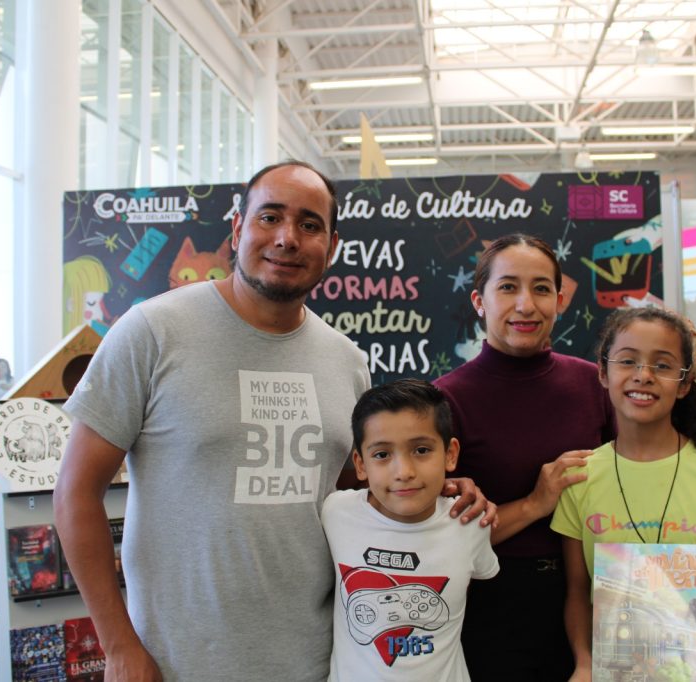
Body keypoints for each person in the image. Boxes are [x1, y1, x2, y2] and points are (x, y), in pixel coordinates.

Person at [53, 160, 494, 681]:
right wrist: (119, 645)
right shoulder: (152, 332)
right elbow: (75, 493)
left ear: (331, 247)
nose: (287, 238)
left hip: (314, 661)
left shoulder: (346, 360)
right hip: (176, 660)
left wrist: (439, 490)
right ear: (238, 228)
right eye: (270, 218)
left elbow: (359, 492)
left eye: (309, 225)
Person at [552, 307, 696, 681]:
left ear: (684, 383)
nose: (643, 376)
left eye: (663, 365)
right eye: (628, 361)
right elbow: (578, 591)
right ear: (603, 373)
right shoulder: (581, 477)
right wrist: (584, 661)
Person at [434, 233, 616, 680]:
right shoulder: (444, 400)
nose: (525, 305)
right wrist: (536, 503)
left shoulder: (596, 384)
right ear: (480, 300)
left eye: (540, 289)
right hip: (495, 606)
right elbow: (436, 539)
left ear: (559, 299)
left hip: (600, 591)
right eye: (508, 287)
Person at [323, 379, 499, 681]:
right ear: (360, 464)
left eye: (421, 450)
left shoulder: (469, 522)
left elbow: (472, 578)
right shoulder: (335, 512)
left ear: (450, 454)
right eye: (381, 455)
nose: (403, 472)